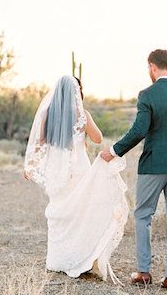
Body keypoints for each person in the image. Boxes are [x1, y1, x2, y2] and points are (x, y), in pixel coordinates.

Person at [101, 49, 167, 293]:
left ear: (152, 66)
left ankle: (144, 272)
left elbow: (139, 130)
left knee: (143, 216)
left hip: (153, 165)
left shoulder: (147, 95)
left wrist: (115, 151)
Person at [24, 75, 128, 284]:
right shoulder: (82, 115)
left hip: (57, 172)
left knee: (59, 214)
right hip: (79, 170)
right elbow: (98, 138)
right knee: (80, 214)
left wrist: (30, 165)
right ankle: (82, 260)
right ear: (76, 92)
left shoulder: (47, 115)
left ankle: (57, 261)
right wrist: (86, 122)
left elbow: (39, 143)